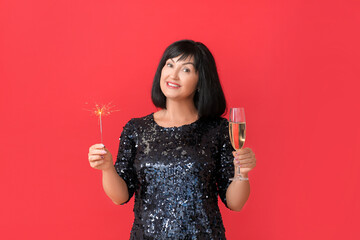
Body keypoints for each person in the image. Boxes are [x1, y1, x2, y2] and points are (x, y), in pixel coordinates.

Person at [88, 39, 257, 239]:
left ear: (200, 81)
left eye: (185, 70)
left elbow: (235, 203)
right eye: (169, 65)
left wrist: (242, 173)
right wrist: (107, 168)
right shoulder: (136, 129)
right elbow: (120, 196)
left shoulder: (218, 130)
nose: (173, 75)